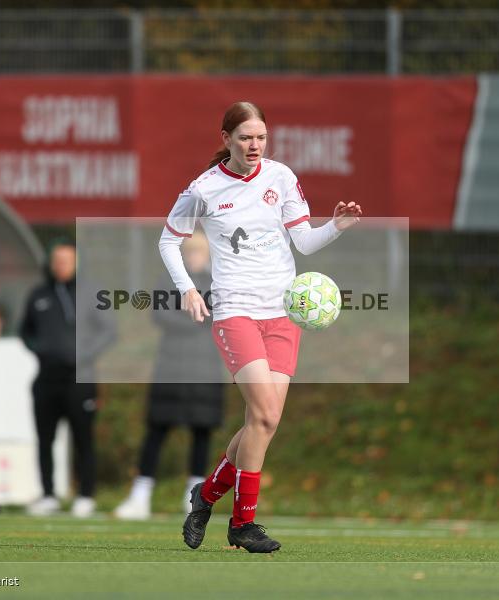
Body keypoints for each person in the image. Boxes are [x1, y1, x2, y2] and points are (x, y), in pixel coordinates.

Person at [159, 101, 361, 553]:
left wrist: (336, 226)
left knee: (261, 422)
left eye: (261, 137)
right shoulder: (204, 188)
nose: (255, 145)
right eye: (246, 137)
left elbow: (304, 241)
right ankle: (242, 524)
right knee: (265, 415)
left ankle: (206, 495)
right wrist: (188, 289)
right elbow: (168, 240)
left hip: (283, 314)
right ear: (226, 138)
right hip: (236, 310)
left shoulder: (281, 177)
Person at [114, 231, 226, 520]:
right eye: (190, 252)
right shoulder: (170, 281)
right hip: (170, 367)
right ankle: (140, 496)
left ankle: (194, 497)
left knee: (201, 431)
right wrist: (196, 318)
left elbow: (220, 314)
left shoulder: (219, 282)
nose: (194, 257)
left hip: (205, 369)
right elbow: (160, 314)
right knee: (157, 429)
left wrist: (193, 314)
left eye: (199, 251)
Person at [20, 239, 115, 518]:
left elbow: (108, 331)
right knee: (45, 439)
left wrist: (83, 355)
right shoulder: (38, 294)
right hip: (46, 379)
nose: (61, 266)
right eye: (57, 261)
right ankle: (48, 494)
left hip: (80, 380)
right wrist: (40, 349)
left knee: (83, 439)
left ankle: (86, 495)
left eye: (67, 261)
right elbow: (25, 331)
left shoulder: (91, 293)